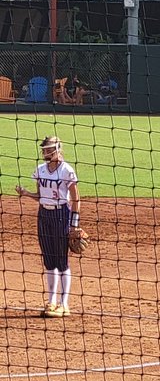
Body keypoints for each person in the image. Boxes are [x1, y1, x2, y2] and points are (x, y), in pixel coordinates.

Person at [14, 134, 81, 316]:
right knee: (49, 260)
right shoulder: (41, 170)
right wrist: (26, 193)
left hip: (61, 214)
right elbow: (40, 195)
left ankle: (64, 304)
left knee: (61, 260)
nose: (45, 151)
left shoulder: (67, 171)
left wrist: (74, 225)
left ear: (57, 149)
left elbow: (76, 199)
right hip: (43, 214)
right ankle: (51, 302)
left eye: (49, 149)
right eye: (44, 149)